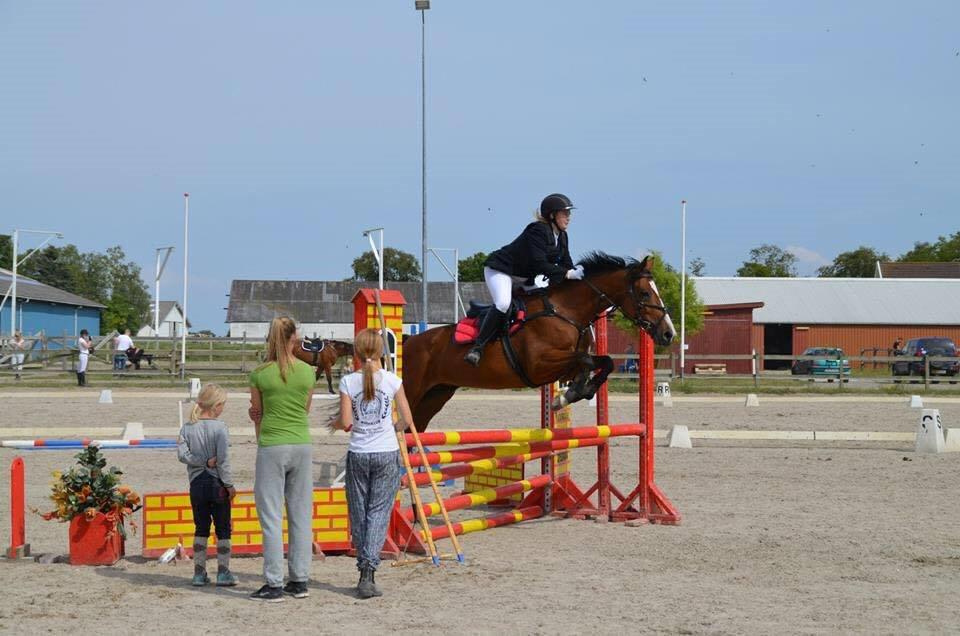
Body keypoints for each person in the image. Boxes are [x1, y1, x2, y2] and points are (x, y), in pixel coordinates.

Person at [330, 328, 412, 599]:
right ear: (380, 351)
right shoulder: (392, 381)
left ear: (356, 352)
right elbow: (407, 420)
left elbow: (345, 422)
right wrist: (391, 428)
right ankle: (368, 572)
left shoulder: (347, 382)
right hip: (386, 451)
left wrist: (351, 426)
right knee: (378, 512)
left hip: (359, 452)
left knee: (359, 512)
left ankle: (363, 569)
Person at [464, 193, 582, 366]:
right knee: (503, 303)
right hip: (501, 271)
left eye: (568, 214)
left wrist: (578, 273)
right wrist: (567, 274)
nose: (568, 218)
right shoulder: (538, 231)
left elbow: (566, 262)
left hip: (524, 278)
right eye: (564, 213)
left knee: (542, 302)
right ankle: (477, 347)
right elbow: (539, 263)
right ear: (552, 215)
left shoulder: (562, 236)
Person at [248, 316, 316, 602]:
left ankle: (274, 582)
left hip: (272, 444)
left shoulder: (260, 374)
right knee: (301, 514)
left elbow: (257, 413)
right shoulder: (307, 371)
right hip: (301, 443)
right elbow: (306, 409)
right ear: (293, 339)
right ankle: (299, 579)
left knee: (271, 516)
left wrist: (259, 428)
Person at [177, 383, 237, 587]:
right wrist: (229, 485)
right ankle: (223, 572)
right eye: (223, 405)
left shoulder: (187, 427)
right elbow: (223, 459)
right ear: (216, 405)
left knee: (200, 527)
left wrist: (200, 462)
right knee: (223, 529)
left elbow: (182, 455)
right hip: (217, 482)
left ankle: (199, 572)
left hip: (196, 483)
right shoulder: (220, 427)